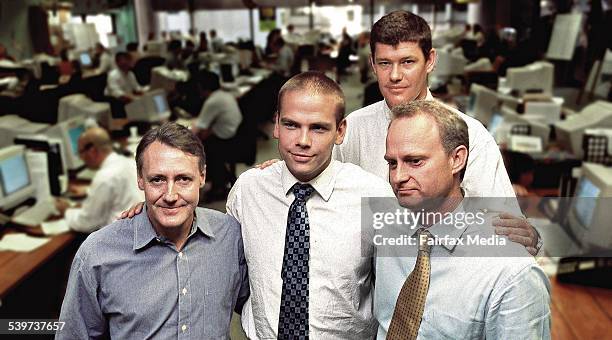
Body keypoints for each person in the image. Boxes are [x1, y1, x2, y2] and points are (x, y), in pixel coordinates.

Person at [332, 10, 540, 254]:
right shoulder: (352, 129)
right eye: (385, 63)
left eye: (407, 62)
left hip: (443, 274)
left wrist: (532, 237)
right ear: (372, 65)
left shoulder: (472, 136)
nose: (395, 76)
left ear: (430, 60)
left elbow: (507, 233)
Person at [226, 71, 394, 339]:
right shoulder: (249, 190)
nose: (303, 141)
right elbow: (232, 270)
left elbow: (395, 287)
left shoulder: (374, 196)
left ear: (340, 131)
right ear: (276, 126)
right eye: (291, 125)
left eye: (318, 127)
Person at [374, 100, 551, 339]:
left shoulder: (511, 272)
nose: (398, 177)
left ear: (457, 159)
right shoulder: (386, 233)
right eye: (392, 163)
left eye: (415, 161)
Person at [56, 122, 249, 339]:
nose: (170, 195)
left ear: (202, 176)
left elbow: (261, 307)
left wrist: (275, 175)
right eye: (157, 180)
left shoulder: (229, 235)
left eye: (183, 179)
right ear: (140, 179)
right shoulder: (97, 255)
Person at [54, 127, 143, 233]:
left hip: (120, 238)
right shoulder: (127, 162)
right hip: (140, 228)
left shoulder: (104, 178)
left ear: (92, 151)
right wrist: (89, 190)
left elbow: (86, 223)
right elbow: (119, 190)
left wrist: (66, 210)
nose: (81, 158)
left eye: (80, 153)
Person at [192, 70, 242, 200]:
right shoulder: (224, 95)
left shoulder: (212, 101)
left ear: (201, 87)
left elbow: (198, 128)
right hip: (235, 134)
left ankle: (218, 185)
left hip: (225, 139)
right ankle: (221, 179)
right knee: (204, 138)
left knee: (197, 147)